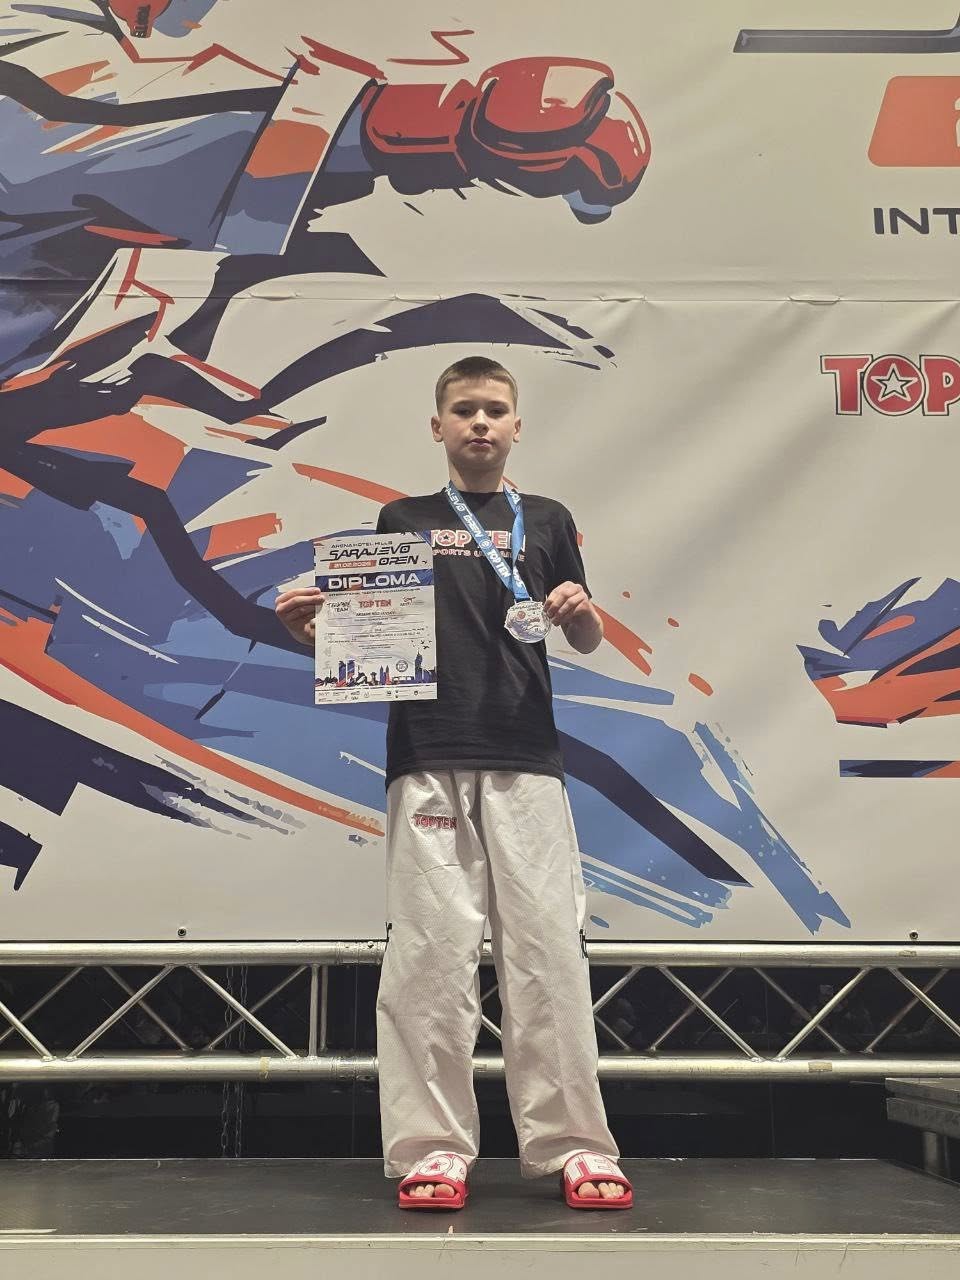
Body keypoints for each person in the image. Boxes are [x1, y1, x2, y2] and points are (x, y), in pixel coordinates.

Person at [275, 355, 632, 1211]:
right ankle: (432, 1149)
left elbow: (581, 638)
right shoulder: (402, 519)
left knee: (547, 954)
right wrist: (314, 636)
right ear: (437, 426)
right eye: (464, 409)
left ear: (517, 426)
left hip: (526, 756)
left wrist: (583, 616)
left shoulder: (548, 519)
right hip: (427, 753)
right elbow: (371, 646)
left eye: (495, 410)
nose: (480, 422)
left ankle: (576, 1145)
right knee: (430, 959)